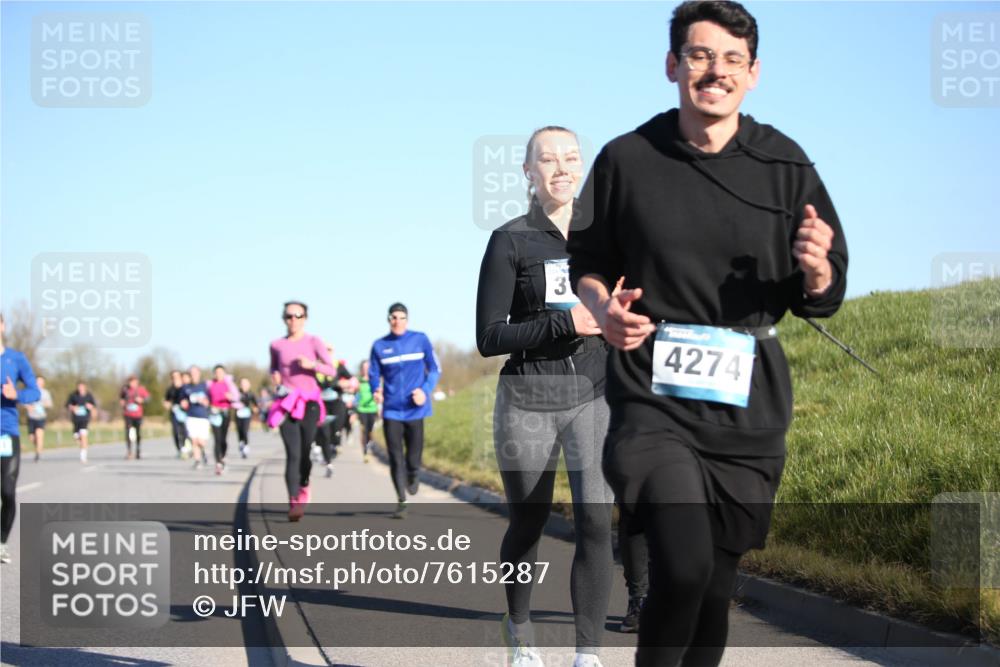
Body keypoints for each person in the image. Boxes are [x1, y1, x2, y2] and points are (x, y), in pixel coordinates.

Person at [567, 3, 848, 665]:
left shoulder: (785, 164)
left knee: (715, 587)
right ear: (672, 65)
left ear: (753, 73)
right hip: (653, 393)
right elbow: (586, 262)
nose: (715, 71)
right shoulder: (627, 158)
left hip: (748, 404)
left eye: (731, 59)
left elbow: (825, 290)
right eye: (699, 55)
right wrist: (604, 309)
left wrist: (816, 269)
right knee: (685, 565)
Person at [477, 126, 613, 667]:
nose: (561, 168)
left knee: (596, 521)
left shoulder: (604, 237)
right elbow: (490, 336)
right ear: (528, 172)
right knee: (529, 521)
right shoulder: (510, 239)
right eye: (548, 159)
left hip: (595, 395)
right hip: (527, 398)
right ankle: (520, 629)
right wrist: (564, 324)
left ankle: (588, 653)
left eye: (571, 158)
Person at [368, 303, 441, 519]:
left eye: (401, 317)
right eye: (393, 317)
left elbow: (435, 369)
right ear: (388, 320)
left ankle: (414, 473)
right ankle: (401, 500)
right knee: (395, 456)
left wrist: (425, 391)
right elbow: (373, 374)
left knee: (413, 456)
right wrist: (375, 389)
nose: (397, 321)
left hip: (415, 409)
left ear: (407, 320)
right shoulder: (379, 346)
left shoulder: (420, 339)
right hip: (391, 410)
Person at [269, 301, 336, 521]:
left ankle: (304, 484)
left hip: (309, 404)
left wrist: (312, 365)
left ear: (305, 318)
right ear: (284, 319)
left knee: (305, 452)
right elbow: (273, 368)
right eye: (289, 316)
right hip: (287, 403)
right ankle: (294, 501)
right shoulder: (276, 345)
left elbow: (331, 370)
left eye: (298, 315)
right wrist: (275, 377)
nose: (293, 320)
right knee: (293, 454)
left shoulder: (314, 341)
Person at [1, 312, 41, 564]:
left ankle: (1, 542)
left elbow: (35, 392)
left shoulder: (16, 359)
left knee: (7, 491)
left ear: (2, 326)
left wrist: (16, 394)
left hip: (6, 433)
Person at [315, 353, 353, 478]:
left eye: (329, 350)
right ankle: (329, 463)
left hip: (337, 404)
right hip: (322, 405)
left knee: (336, 429)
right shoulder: (315, 367)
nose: (326, 353)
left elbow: (352, 380)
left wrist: (345, 384)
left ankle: (335, 446)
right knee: (325, 434)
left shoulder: (338, 366)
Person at [180, 366, 211, 469]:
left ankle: (204, 451)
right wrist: (183, 403)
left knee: (201, 441)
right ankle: (197, 461)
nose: (193, 375)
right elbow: (182, 400)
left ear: (199, 373)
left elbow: (209, 400)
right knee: (193, 440)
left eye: (195, 373)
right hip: (191, 416)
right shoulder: (186, 387)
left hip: (203, 416)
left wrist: (205, 401)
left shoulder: (204, 386)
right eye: (191, 373)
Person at [208, 365, 237, 474]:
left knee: (223, 439)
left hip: (225, 412)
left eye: (221, 372)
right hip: (214, 413)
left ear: (224, 373)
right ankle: (218, 463)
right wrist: (209, 405)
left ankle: (223, 456)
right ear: (214, 374)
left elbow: (236, 397)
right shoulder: (210, 384)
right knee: (217, 439)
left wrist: (231, 397)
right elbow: (207, 399)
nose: (219, 374)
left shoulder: (228, 384)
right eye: (217, 372)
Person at [65, 381, 97, 463]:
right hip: (76, 420)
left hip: (85, 419)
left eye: (82, 387)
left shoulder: (89, 396)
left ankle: (83, 456)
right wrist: (73, 407)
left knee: (83, 436)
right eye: (79, 387)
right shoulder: (73, 395)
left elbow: (93, 405)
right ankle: (83, 445)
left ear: (85, 387)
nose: (81, 388)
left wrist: (90, 406)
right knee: (77, 437)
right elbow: (67, 405)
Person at [120, 375, 150, 460]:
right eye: (131, 382)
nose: (132, 384)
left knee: (138, 433)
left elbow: (148, 398)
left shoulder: (141, 389)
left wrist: (142, 400)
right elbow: (121, 398)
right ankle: (129, 451)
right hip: (128, 414)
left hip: (138, 415)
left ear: (137, 382)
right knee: (128, 433)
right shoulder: (125, 389)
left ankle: (138, 451)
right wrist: (122, 403)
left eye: (134, 382)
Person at [355, 359, 379, 463]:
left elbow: (379, 394)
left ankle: (369, 445)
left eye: (367, 367)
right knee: (364, 430)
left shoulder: (374, 380)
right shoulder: (358, 381)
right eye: (364, 368)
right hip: (362, 409)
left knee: (370, 430)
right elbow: (355, 395)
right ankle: (365, 452)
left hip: (372, 408)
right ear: (361, 369)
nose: (366, 369)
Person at [25, 374, 52, 461]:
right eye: (38, 381)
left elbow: (49, 404)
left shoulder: (46, 393)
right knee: (32, 438)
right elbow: (24, 402)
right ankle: (38, 447)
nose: (39, 383)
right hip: (31, 417)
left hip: (41, 417)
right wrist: (28, 407)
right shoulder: (30, 391)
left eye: (41, 382)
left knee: (39, 435)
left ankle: (38, 454)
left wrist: (42, 405)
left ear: (43, 383)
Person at [163, 370, 190, 458]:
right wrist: (167, 404)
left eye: (177, 376)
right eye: (173, 377)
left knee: (185, 431)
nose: (175, 379)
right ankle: (180, 449)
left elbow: (190, 399)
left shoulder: (185, 388)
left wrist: (186, 403)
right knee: (175, 432)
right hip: (174, 413)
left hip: (185, 413)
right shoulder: (170, 389)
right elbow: (166, 401)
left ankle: (187, 448)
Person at [234, 377, 258, 458]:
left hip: (247, 415)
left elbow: (256, 405)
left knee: (245, 430)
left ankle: (246, 445)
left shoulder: (251, 394)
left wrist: (254, 409)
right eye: (242, 384)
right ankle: (241, 443)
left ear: (249, 385)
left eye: (245, 384)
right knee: (239, 431)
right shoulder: (237, 393)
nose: (244, 385)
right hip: (238, 415)